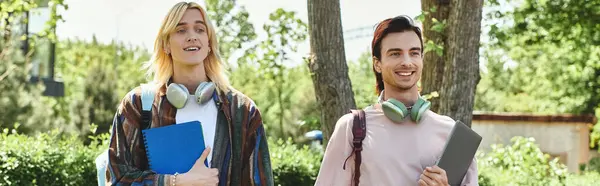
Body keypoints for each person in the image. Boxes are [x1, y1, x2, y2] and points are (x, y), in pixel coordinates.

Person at [104, 2, 274, 185]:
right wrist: (174, 182)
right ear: (166, 45)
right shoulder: (138, 105)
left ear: (209, 44)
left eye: (200, 30)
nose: (192, 36)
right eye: (181, 30)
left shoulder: (242, 110)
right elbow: (117, 179)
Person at [314, 15, 478, 186]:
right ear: (377, 64)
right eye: (395, 54)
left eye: (414, 53)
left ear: (421, 59)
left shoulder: (452, 133)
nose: (406, 62)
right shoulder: (352, 128)